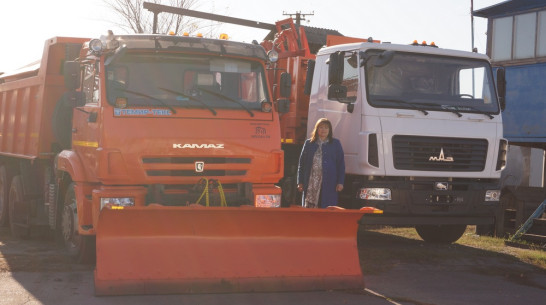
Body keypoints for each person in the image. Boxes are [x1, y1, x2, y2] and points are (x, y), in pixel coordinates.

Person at [297, 118, 345, 208]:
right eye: (321, 127)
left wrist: (340, 182)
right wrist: (300, 182)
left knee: (327, 207)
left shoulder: (336, 144)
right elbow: (301, 164)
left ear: (329, 130)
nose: (324, 130)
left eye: (326, 128)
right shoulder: (309, 143)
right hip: (310, 183)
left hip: (329, 182)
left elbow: (341, 165)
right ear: (317, 129)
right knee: (310, 210)